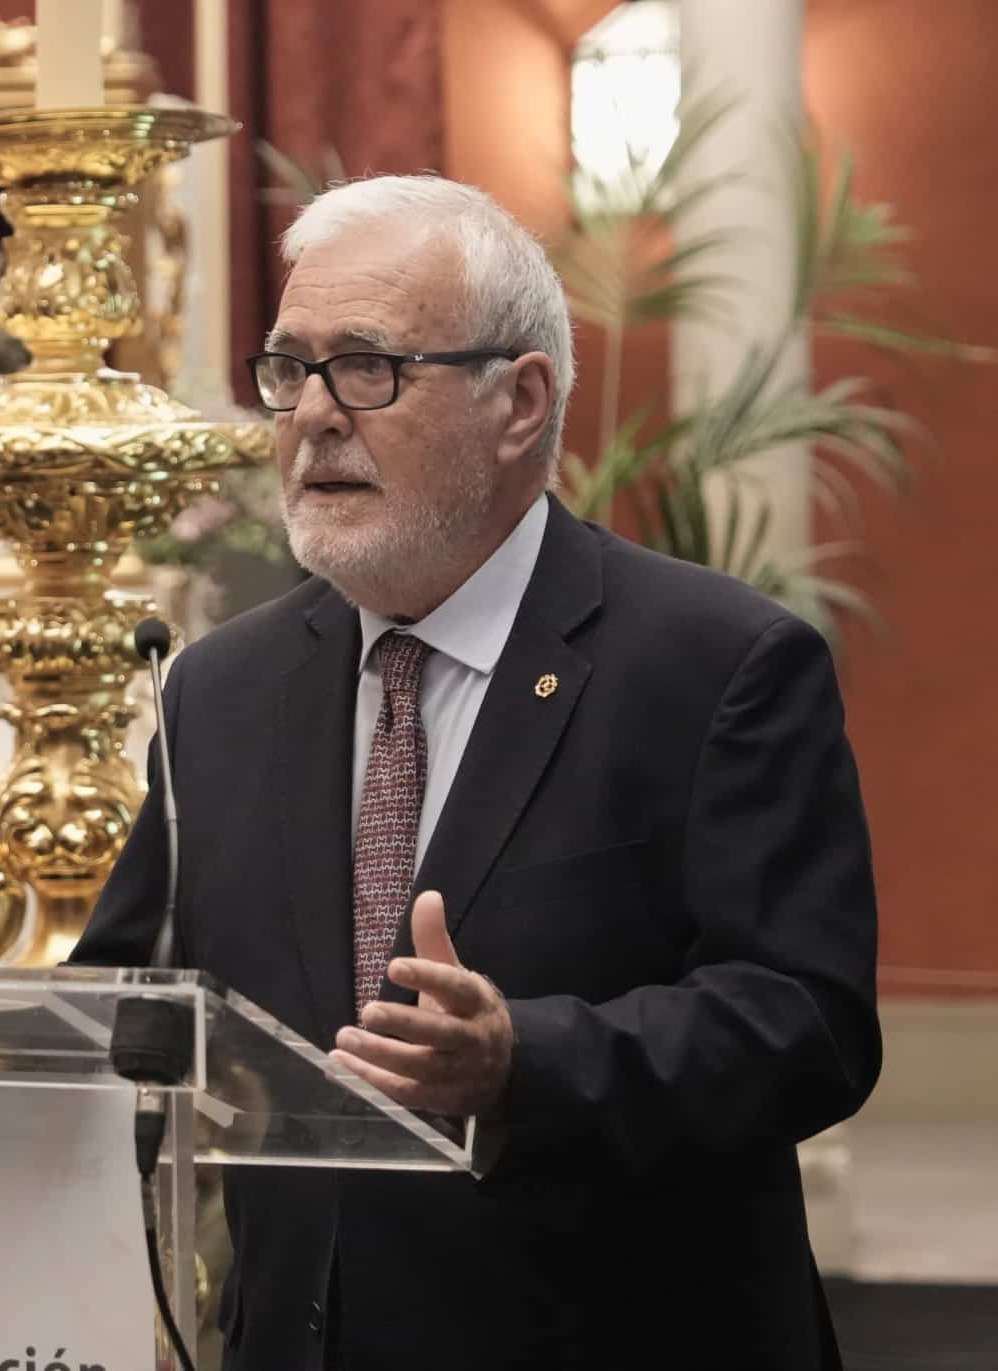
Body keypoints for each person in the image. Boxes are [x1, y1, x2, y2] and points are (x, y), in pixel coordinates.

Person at [73, 176, 881, 1371]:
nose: (311, 416)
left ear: (521, 402)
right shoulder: (220, 690)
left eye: (367, 367)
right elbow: (126, 996)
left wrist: (522, 1062)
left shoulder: (714, 665)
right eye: (289, 369)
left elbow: (803, 1024)